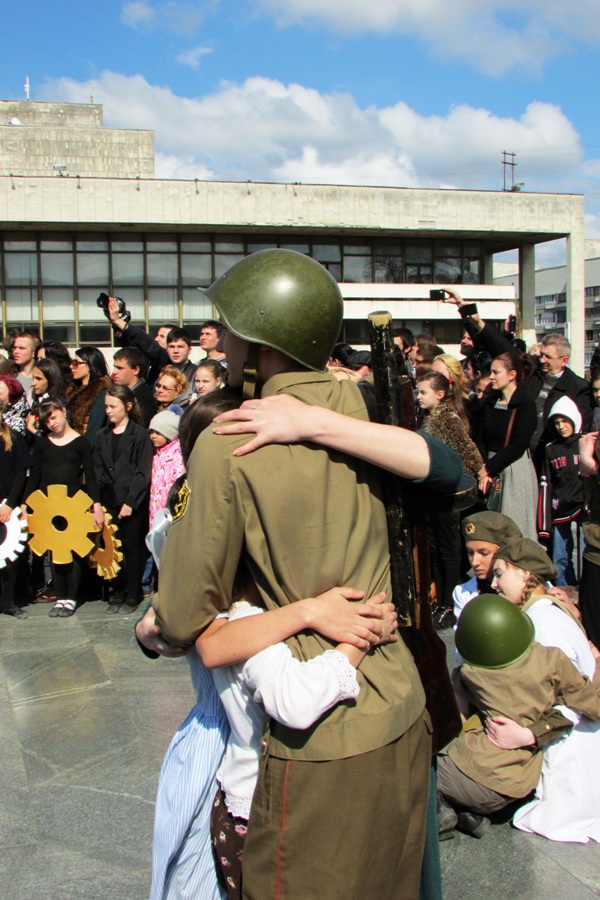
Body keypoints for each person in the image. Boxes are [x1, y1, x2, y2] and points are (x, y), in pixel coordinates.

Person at [139, 249, 462, 900]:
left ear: (261, 341)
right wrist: (320, 422)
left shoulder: (228, 437)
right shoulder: (354, 402)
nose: (222, 342)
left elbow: (179, 618)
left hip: (319, 734)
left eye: (230, 329)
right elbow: (444, 467)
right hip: (399, 704)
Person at [437, 592, 600, 840]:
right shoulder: (553, 660)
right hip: (520, 784)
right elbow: (591, 704)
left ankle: (442, 813)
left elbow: (455, 723)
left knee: (417, 771)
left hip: (472, 774)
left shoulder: (467, 674)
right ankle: (466, 816)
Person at [488, 538, 600, 842]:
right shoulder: (544, 612)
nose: (494, 584)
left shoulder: (544, 623)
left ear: (524, 574)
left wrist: (530, 734)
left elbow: (577, 699)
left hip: (573, 753)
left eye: (499, 574)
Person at [23, 399, 104, 617]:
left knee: (74, 550)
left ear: (63, 412)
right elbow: (35, 476)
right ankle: (60, 596)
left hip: (73, 504)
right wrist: (25, 504)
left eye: (54, 416)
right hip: (48, 505)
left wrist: (96, 505)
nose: (52, 423)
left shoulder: (80, 443)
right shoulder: (42, 444)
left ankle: (71, 597)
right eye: (47, 420)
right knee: (54, 549)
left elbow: (91, 475)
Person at [416, 370, 482, 629]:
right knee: (435, 548)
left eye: (423, 392)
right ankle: (439, 599)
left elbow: (470, 452)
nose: (419, 396)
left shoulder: (448, 418)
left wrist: (459, 476)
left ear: (440, 395)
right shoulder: (428, 416)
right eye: (418, 391)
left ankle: (449, 603)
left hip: (448, 493)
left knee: (448, 549)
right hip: (434, 490)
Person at [94, 385, 153, 614]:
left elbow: (142, 471)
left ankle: (132, 593)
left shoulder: (139, 434)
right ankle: (116, 591)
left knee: (131, 547)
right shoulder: (103, 435)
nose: (108, 411)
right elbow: (97, 470)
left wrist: (130, 502)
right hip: (109, 499)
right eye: (106, 406)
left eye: (112, 406)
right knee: (111, 546)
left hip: (130, 501)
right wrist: (97, 503)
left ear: (127, 406)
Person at [475, 351, 539, 541]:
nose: (491, 377)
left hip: (513, 470)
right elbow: (480, 437)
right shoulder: (489, 404)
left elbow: (518, 444)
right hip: (489, 470)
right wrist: (483, 467)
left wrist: (488, 468)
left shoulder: (525, 405)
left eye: (496, 372)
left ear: (512, 375)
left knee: (515, 529)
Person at [539, 396, 584, 585]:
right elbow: (546, 484)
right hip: (560, 510)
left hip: (584, 507)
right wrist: (544, 525)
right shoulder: (551, 450)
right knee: (559, 557)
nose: (561, 426)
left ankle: (587, 593)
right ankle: (566, 593)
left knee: (586, 555)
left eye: (565, 420)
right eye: (556, 422)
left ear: (574, 419)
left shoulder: (586, 443)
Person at [0, 420, 31, 618]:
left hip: (8, 507)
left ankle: (8, 601)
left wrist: (10, 504)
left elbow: (22, 473)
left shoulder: (13, 438)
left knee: (9, 555)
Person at [66, 346, 113, 448]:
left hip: (87, 452)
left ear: (89, 365)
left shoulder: (101, 392)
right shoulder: (72, 390)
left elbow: (94, 428)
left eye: (76, 363)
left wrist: (82, 452)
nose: (71, 366)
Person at [148, 409, 185, 531]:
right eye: (151, 432)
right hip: (156, 511)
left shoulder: (177, 457)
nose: (153, 436)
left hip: (170, 512)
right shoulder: (157, 454)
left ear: (169, 434)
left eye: (158, 433)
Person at [111, 347, 157, 426]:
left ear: (136, 370)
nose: (114, 372)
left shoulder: (144, 400)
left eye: (119, 368)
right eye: (114, 367)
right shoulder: (115, 394)